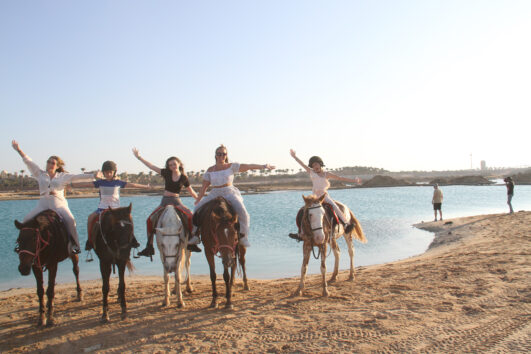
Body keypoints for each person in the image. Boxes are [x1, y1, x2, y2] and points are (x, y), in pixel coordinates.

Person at [11, 140, 96, 255]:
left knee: (71, 221)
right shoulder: (40, 174)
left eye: (53, 163)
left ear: (57, 166)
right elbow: (29, 162)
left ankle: (75, 245)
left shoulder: (63, 177)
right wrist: (19, 150)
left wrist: (93, 175)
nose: (50, 164)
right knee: (26, 220)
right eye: (49, 162)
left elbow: (77, 177)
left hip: (59, 205)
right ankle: (20, 245)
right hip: (42, 205)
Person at [194, 144, 275, 248]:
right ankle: (195, 235)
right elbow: (203, 188)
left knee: (243, 213)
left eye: (224, 154)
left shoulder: (231, 166)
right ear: (216, 155)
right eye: (219, 154)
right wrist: (198, 200)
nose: (221, 156)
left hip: (229, 192)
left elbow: (248, 166)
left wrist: (263, 166)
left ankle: (243, 236)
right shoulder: (210, 170)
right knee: (196, 209)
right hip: (214, 193)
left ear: (226, 155)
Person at [132, 148, 200, 256]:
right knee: (149, 220)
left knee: (191, 216)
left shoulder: (184, 178)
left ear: (179, 164)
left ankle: (192, 241)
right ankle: (149, 246)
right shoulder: (166, 173)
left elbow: (191, 191)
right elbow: (151, 166)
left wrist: (200, 199)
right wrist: (139, 157)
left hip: (176, 201)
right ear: (168, 167)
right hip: (165, 201)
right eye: (170, 165)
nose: (173, 166)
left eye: (174, 164)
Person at [72, 160, 151, 251]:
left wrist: (145, 186)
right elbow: (86, 184)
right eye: (106, 172)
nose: (108, 174)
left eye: (110, 172)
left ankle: (132, 239)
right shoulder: (100, 182)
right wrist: (72, 184)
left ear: (114, 173)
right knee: (90, 218)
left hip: (116, 209)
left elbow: (132, 184)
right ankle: (89, 241)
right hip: (102, 208)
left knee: (130, 217)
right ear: (103, 173)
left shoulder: (118, 182)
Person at [289, 149, 360, 236]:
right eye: (313, 165)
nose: (315, 166)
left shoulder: (326, 174)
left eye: (316, 164)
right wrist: (294, 157)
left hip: (324, 196)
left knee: (335, 207)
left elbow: (340, 178)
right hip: (314, 197)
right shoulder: (311, 172)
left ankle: (346, 224)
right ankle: (301, 232)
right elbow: (302, 164)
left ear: (320, 164)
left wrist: (354, 180)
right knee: (303, 211)